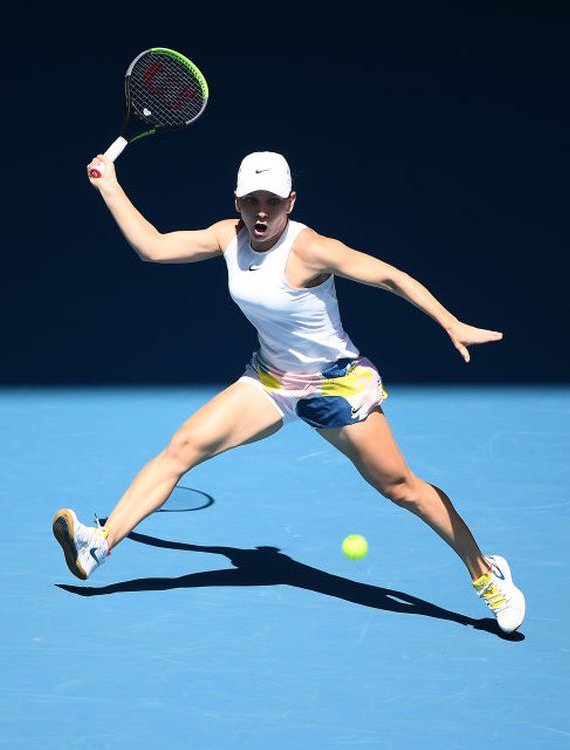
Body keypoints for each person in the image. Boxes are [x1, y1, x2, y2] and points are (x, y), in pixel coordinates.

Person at [53, 151, 526, 633]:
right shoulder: (227, 236)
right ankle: (101, 543)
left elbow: (389, 275)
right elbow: (152, 248)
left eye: (273, 202)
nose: (262, 212)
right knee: (182, 448)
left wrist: (450, 323)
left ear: (291, 202)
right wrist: (108, 185)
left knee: (401, 488)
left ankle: (486, 573)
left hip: (335, 386)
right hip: (271, 382)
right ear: (236, 201)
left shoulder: (311, 250)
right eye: (252, 200)